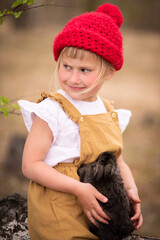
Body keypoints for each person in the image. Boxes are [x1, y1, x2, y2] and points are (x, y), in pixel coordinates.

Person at [19, 3, 143, 240]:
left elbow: (118, 160)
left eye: (85, 70)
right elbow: (31, 165)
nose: (73, 78)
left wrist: (130, 190)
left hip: (99, 207)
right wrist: (78, 188)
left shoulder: (107, 110)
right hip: (59, 207)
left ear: (108, 72)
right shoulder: (52, 109)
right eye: (67, 67)